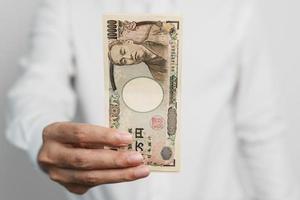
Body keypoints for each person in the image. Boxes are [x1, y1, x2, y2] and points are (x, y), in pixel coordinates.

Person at [5, 0, 299, 199]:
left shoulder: (234, 7)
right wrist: (40, 137)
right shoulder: (70, 4)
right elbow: (38, 88)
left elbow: (261, 130)